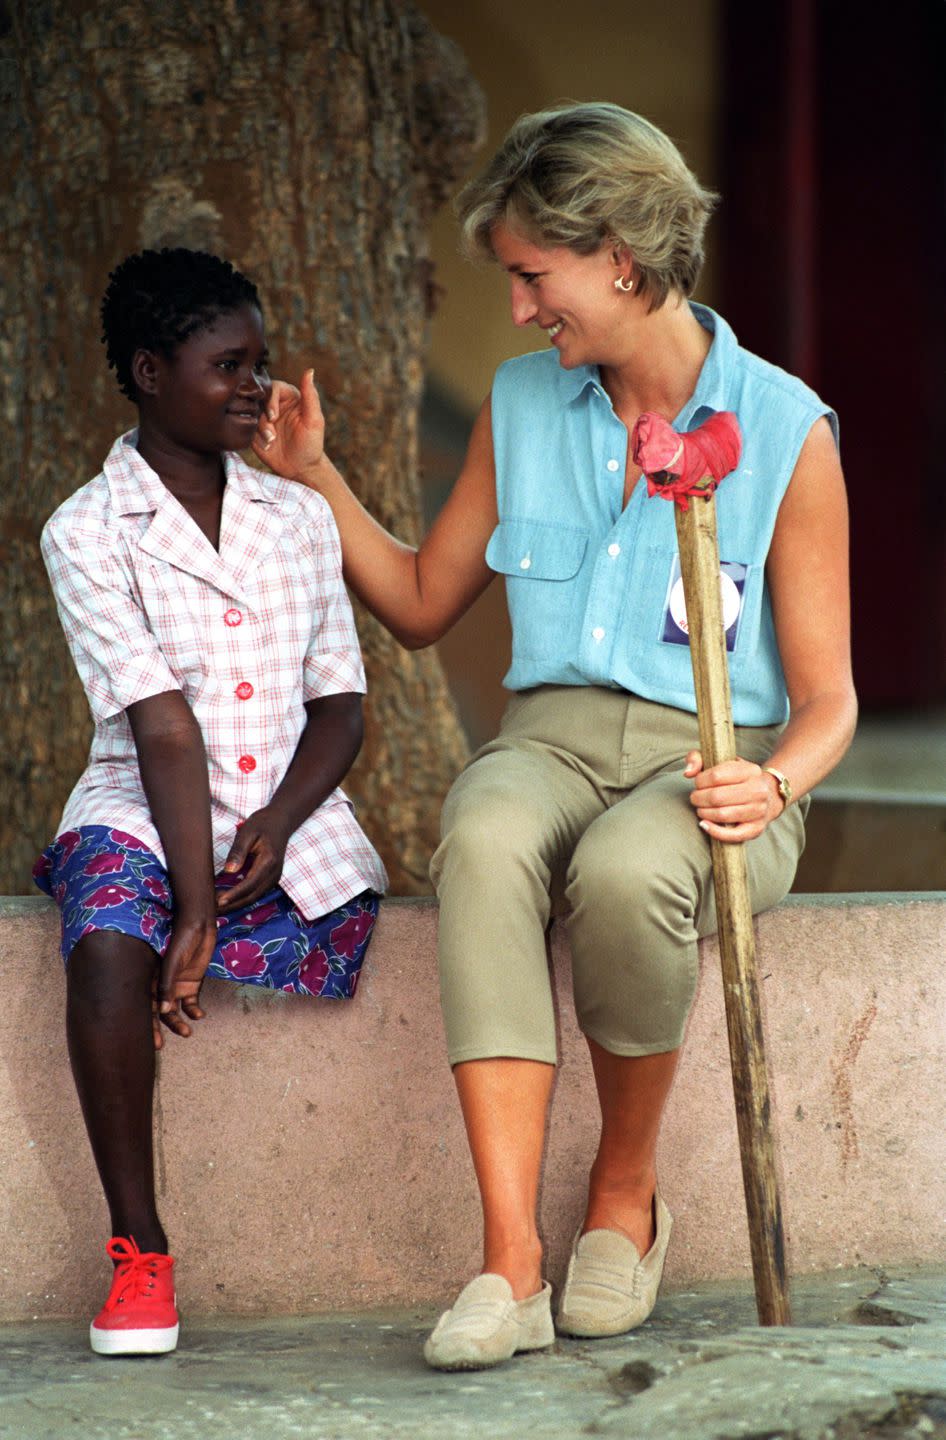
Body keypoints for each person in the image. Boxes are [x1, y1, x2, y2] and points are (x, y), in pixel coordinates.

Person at [257, 102, 856, 1371]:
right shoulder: (526, 407)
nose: (522, 311)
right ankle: (508, 1261)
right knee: (481, 831)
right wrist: (319, 479)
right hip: (553, 734)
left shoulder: (789, 431)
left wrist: (773, 782)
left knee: (634, 869)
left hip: (720, 754)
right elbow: (424, 603)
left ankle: (622, 1207)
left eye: (535, 277)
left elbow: (831, 702)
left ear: (620, 260)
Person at [33, 248, 387, 1356]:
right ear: (148, 371)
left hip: (285, 804)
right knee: (104, 945)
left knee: (296, 905)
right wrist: (191, 910)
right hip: (144, 801)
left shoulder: (299, 519)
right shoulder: (85, 533)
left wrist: (277, 825)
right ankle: (139, 1251)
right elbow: (163, 728)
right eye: (225, 365)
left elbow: (342, 708)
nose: (256, 388)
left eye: (259, 362)